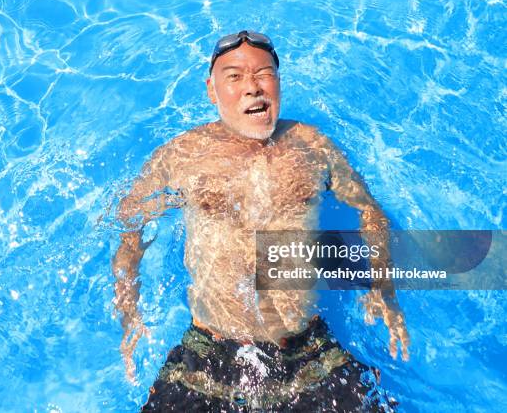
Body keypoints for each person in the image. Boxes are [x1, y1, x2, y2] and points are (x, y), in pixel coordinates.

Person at [112, 30, 409, 412]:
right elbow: (129, 223)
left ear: (279, 83)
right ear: (212, 90)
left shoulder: (312, 146)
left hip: (307, 351)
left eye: (264, 74)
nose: (253, 87)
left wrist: (381, 287)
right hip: (208, 354)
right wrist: (129, 311)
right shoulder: (183, 155)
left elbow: (370, 212)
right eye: (235, 77)